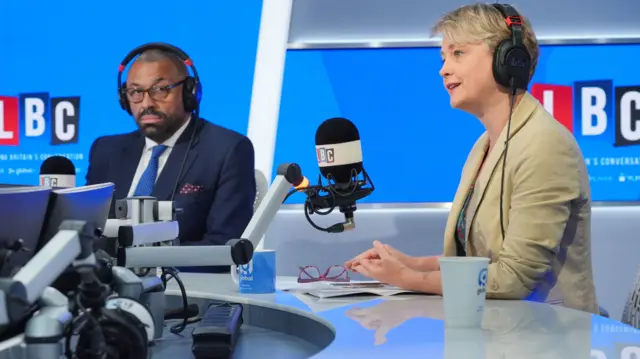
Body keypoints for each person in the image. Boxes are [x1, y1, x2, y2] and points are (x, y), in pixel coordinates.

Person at [345, 4, 598, 314]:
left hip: (548, 337)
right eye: (443, 58)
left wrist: (409, 278)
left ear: (508, 60)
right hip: (496, 331)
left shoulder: (545, 145)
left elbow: (512, 278)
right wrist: (411, 263)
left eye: (458, 54)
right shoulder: (484, 145)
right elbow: (478, 262)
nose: (444, 69)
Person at [86, 44, 256, 273]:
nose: (146, 103)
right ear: (124, 99)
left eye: (160, 89)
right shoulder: (105, 150)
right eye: (136, 92)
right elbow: (88, 234)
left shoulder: (228, 149)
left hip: (180, 290)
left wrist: (140, 265)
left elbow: (224, 247)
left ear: (189, 92)